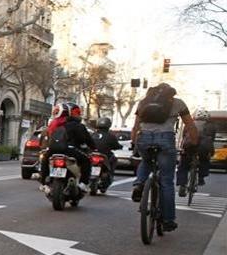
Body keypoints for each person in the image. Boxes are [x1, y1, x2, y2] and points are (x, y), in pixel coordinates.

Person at [131, 83, 198, 231]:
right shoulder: (177, 103)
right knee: (166, 181)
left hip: (144, 138)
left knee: (146, 160)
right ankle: (168, 220)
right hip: (165, 139)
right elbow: (190, 125)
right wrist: (193, 143)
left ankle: (139, 184)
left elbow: (136, 126)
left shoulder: (143, 102)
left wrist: (134, 142)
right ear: (170, 93)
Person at [42, 102, 96, 192]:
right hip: (69, 150)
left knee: (45, 159)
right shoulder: (79, 126)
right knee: (87, 160)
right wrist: (93, 148)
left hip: (53, 149)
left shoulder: (57, 124)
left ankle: (44, 182)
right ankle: (83, 183)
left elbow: (49, 137)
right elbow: (86, 140)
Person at [179, 108, 217, 196]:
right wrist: (210, 152)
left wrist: (182, 148)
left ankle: (182, 184)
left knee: (183, 165)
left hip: (189, 146)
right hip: (204, 148)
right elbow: (212, 140)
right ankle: (201, 178)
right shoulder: (212, 126)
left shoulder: (189, 124)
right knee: (205, 160)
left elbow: (184, 137)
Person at [90, 117, 122, 185]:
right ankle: (110, 173)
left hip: (92, 154)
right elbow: (116, 145)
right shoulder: (111, 136)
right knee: (114, 159)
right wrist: (119, 147)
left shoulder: (93, 134)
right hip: (104, 155)